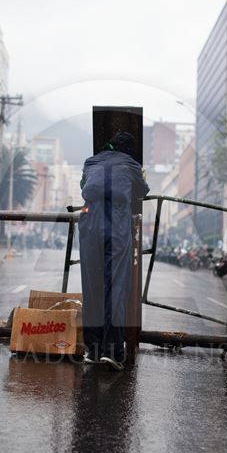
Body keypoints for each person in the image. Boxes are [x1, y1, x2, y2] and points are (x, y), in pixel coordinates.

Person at [78, 132, 149, 370]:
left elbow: (83, 186)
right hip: (116, 221)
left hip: (90, 220)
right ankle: (113, 351)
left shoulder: (91, 161)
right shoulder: (131, 165)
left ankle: (92, 349)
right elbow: (142, 191)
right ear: (128, 151)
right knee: (115, 286)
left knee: (92, 285)